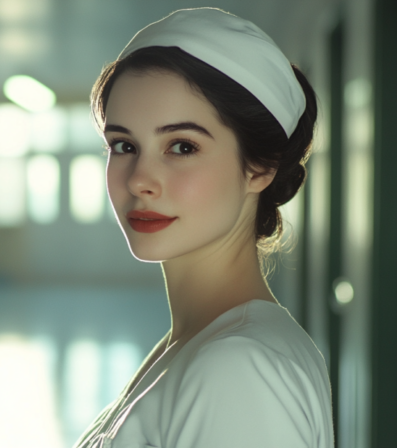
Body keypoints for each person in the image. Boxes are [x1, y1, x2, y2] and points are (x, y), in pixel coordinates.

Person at [75, 8, 333, 448]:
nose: (139, 179)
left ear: (259, 168)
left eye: (181, 146)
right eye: (124, 145)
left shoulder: (238, 367)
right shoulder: (199, 343)